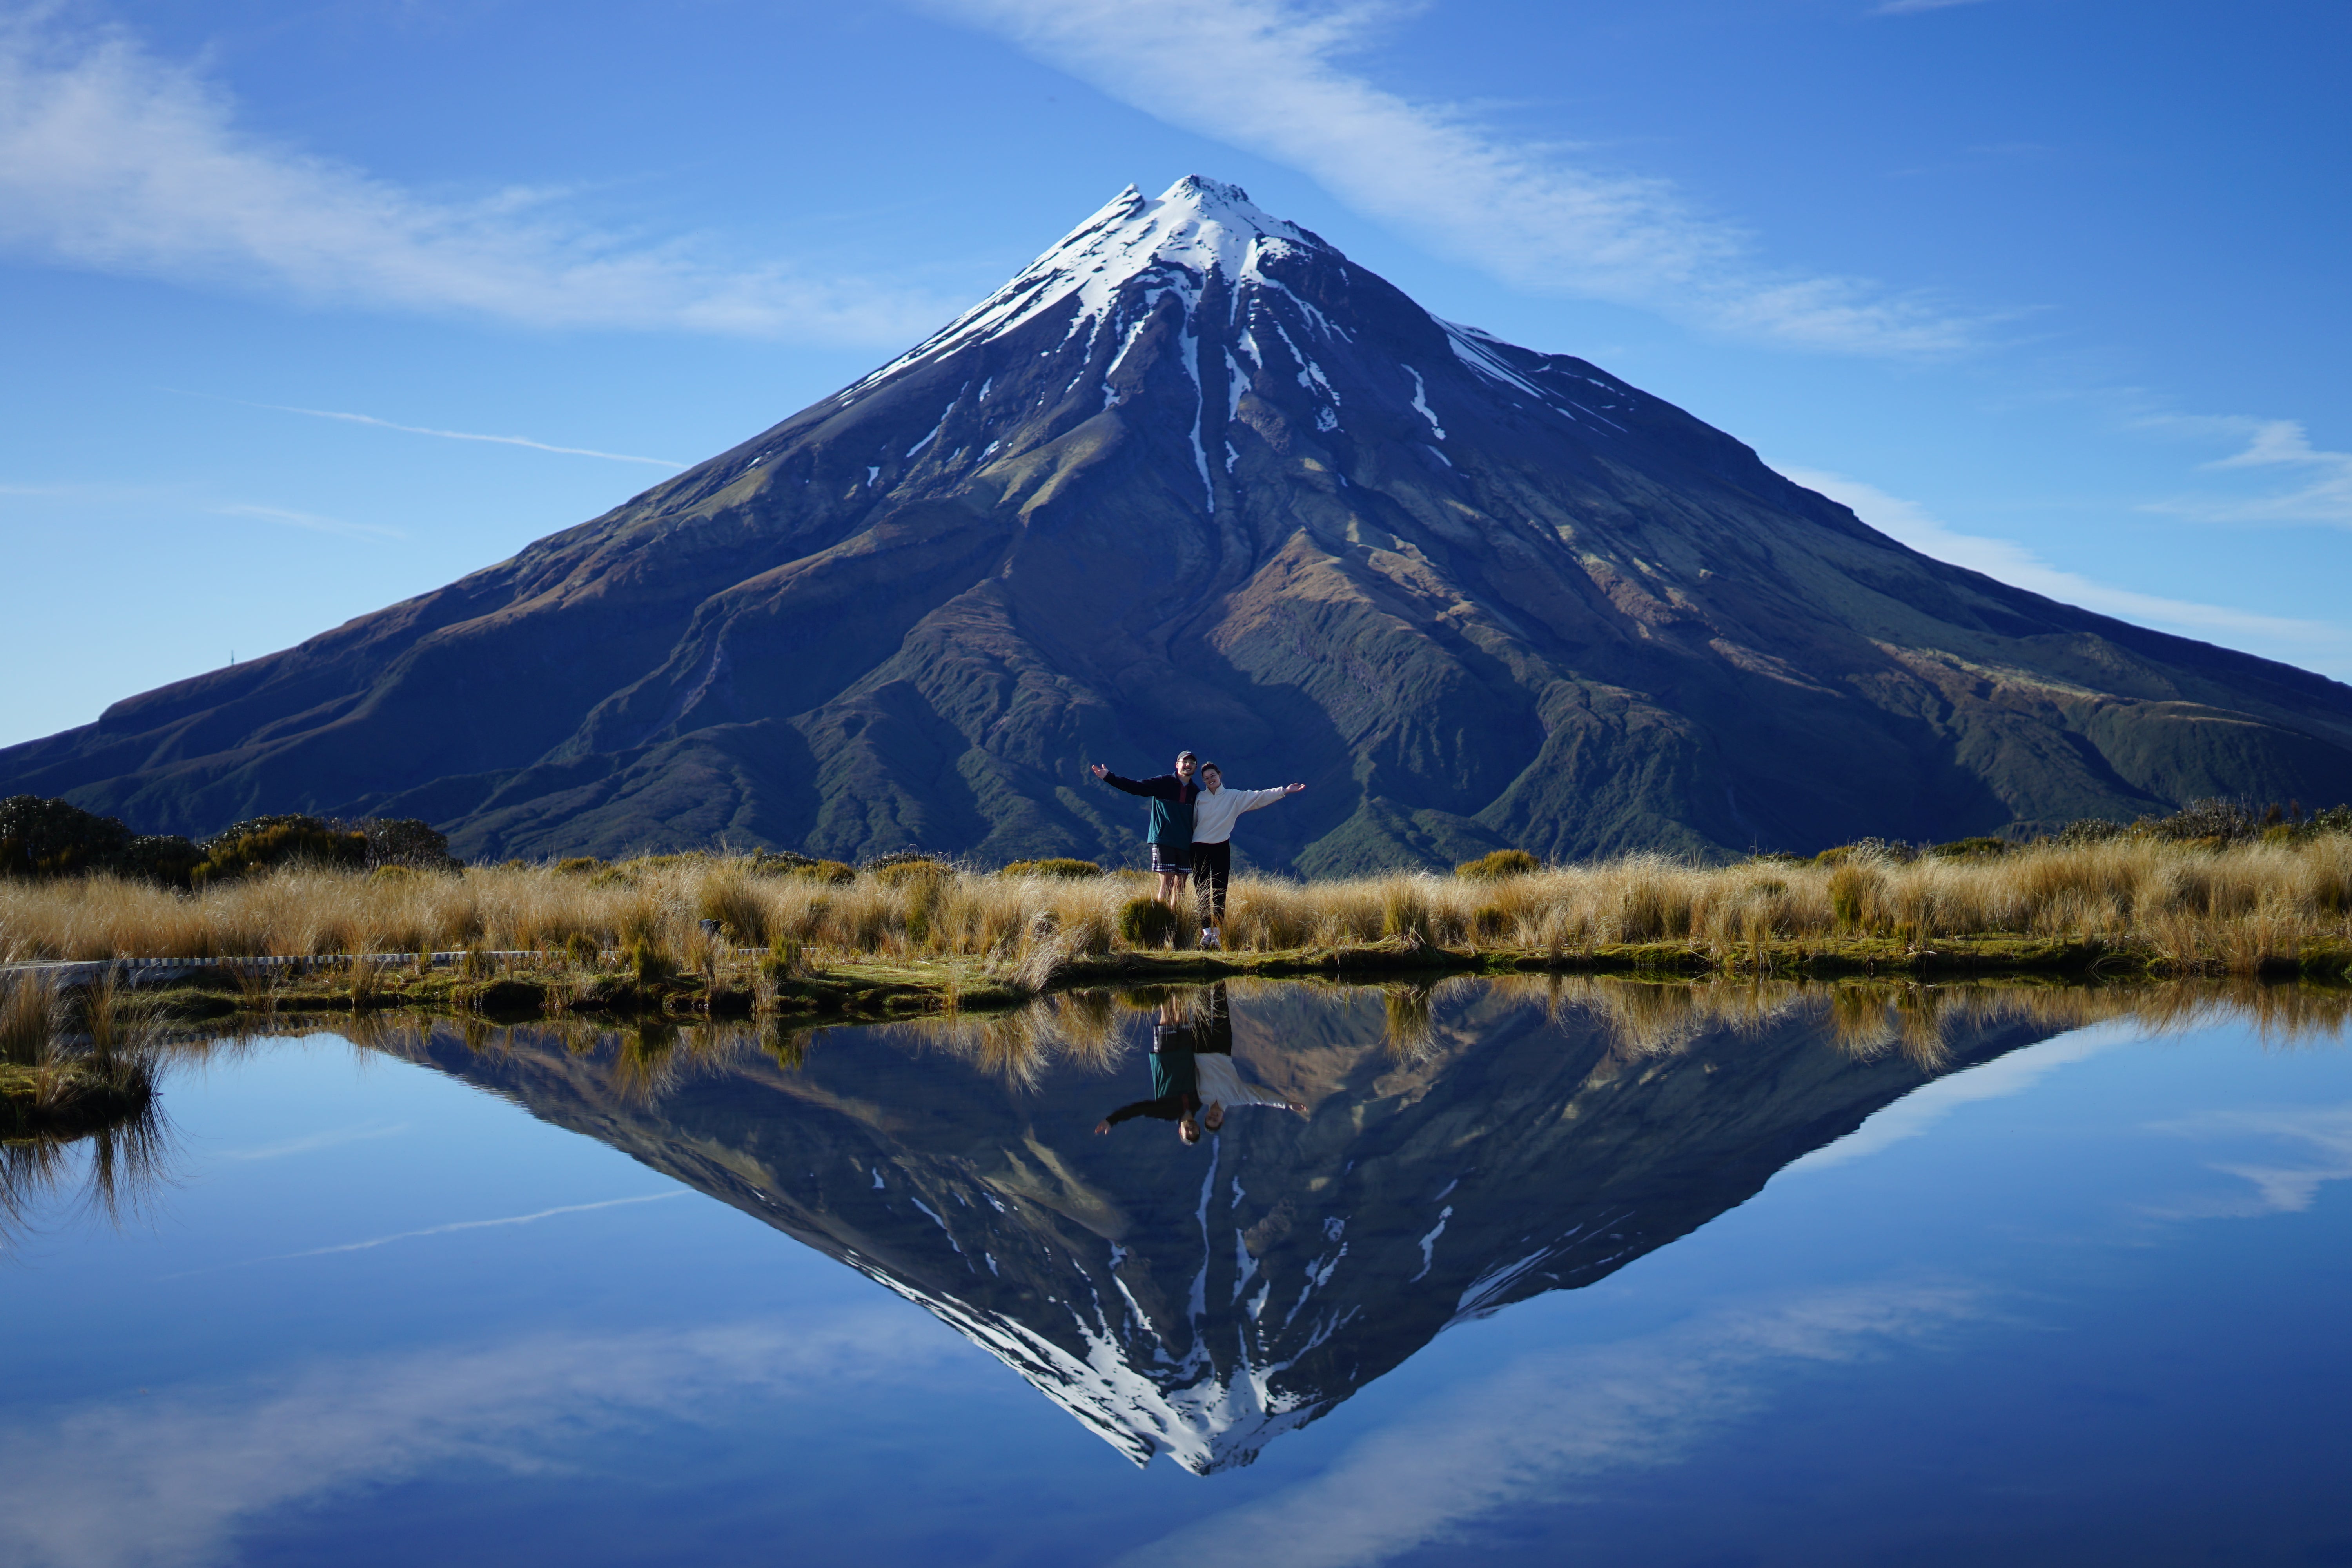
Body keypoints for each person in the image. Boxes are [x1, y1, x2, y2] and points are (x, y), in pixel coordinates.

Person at [1187, 762, 1304, 950]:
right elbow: (1190, 822)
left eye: (1213, 776)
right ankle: (1206, 933)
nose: (1210, 780)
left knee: (1219, 890)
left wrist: (1285, 791)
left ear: (1219, 775)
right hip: (1199, 847)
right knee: (1202, 891)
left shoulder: (1234, 796)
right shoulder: (1200, 798)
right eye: (1206, 779)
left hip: (1221, 846)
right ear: (1203, 781)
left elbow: (1258, 796)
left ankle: (1216, 935)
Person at [1186, 982, 1307, 1130]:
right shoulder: (1237, 1098)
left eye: (1210, 1118)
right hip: (1222, 1050)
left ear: (1206, 1116)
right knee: (1221, 1006)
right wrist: (1286, 1104)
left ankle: (1201, 977)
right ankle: (1219, 975)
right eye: (1215, 1120)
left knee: (1201, 1010)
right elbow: (1261, 1097)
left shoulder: (1202, 1097)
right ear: (1222, 1120)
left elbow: (1192, 1074)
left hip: (1201, 1051)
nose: (1213, 1117)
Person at [1090, 751, 1200, 913]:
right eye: (1185, 761)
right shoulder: (1164, 782)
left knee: (1181, 885)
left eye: (1192, 762)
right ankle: (1161, 920)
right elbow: (1137, 787)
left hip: (1185, 843)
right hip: (1165, 840)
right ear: (1177, 765)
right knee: (1167, 883)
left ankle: (1177, 922)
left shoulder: (1196, 792)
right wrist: (1109, 777)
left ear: (1195, 768)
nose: (1188, 765)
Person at [1093, 994, 1206, 1144]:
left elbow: (1139, 1110)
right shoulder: (1199, 1102)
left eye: (1188, 1134)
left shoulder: (1167, 1112)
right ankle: (1178, 983)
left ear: (1180, 1131)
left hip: (1165, 1056)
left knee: (1166, 1014)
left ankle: (1163, 984)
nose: (1191, 1131)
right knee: (1182, 1012)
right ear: (1199, 1128)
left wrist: (1112, 1120)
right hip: (1187, 1053)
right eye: (1195, 1133)